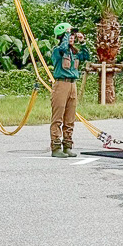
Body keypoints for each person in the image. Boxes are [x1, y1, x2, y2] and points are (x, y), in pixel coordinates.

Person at [49, 22, 89, 158]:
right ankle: (55, 147)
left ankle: (67, 145)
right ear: (61, 36)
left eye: (72, 35)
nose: (72, 37)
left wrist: (82, 42)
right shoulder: (58, 50)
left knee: (70, 118)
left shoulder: (74, 53)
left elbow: (86, 56)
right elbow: (63, 47)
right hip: (61, 84)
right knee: (58, 118)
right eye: (69, 35)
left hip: (73, 85)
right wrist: (66, 34)